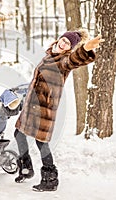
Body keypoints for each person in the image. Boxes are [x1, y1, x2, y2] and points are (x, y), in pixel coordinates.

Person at [13, 29, 105, 192]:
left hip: (43, 109)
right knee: (18, 134)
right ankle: (26, 169)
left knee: (41, 142)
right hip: (30, 106)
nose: (63, 44)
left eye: (67, 44)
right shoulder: (49, 55)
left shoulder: (62, 61)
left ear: (69, 48)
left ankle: (50, 179)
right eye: (63, 40)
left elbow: (73, 60)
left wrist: (85, 50)